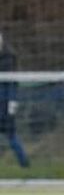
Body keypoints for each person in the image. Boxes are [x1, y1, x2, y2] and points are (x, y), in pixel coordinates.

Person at [0, 32, 30, 168]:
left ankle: (24, 163)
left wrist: (12, 103)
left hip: (5, 104)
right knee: (11, 135)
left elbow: (12, 83)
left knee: (11, 135)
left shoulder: (9, 58)